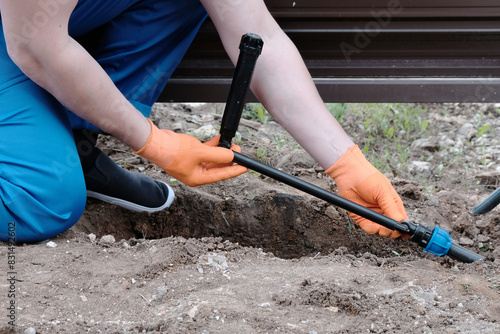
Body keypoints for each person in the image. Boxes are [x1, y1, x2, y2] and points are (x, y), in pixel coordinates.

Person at [0, 0, 407, 243]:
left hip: (38, 21)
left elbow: (256, 31)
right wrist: (151, 141)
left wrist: (346, 163)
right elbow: (34, 43)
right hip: (24, 32)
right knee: (39, 202)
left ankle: (68, 144)